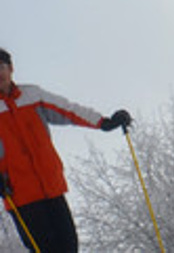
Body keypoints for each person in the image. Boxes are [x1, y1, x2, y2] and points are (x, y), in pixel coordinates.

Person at [0, 48, 131, 252]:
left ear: (11, 68)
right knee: (45, 248)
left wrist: (103, 122)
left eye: (1, 67)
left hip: (52, 187)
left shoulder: (32, 95)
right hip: (20, 195)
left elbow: (68, 110)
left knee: (69, 246)